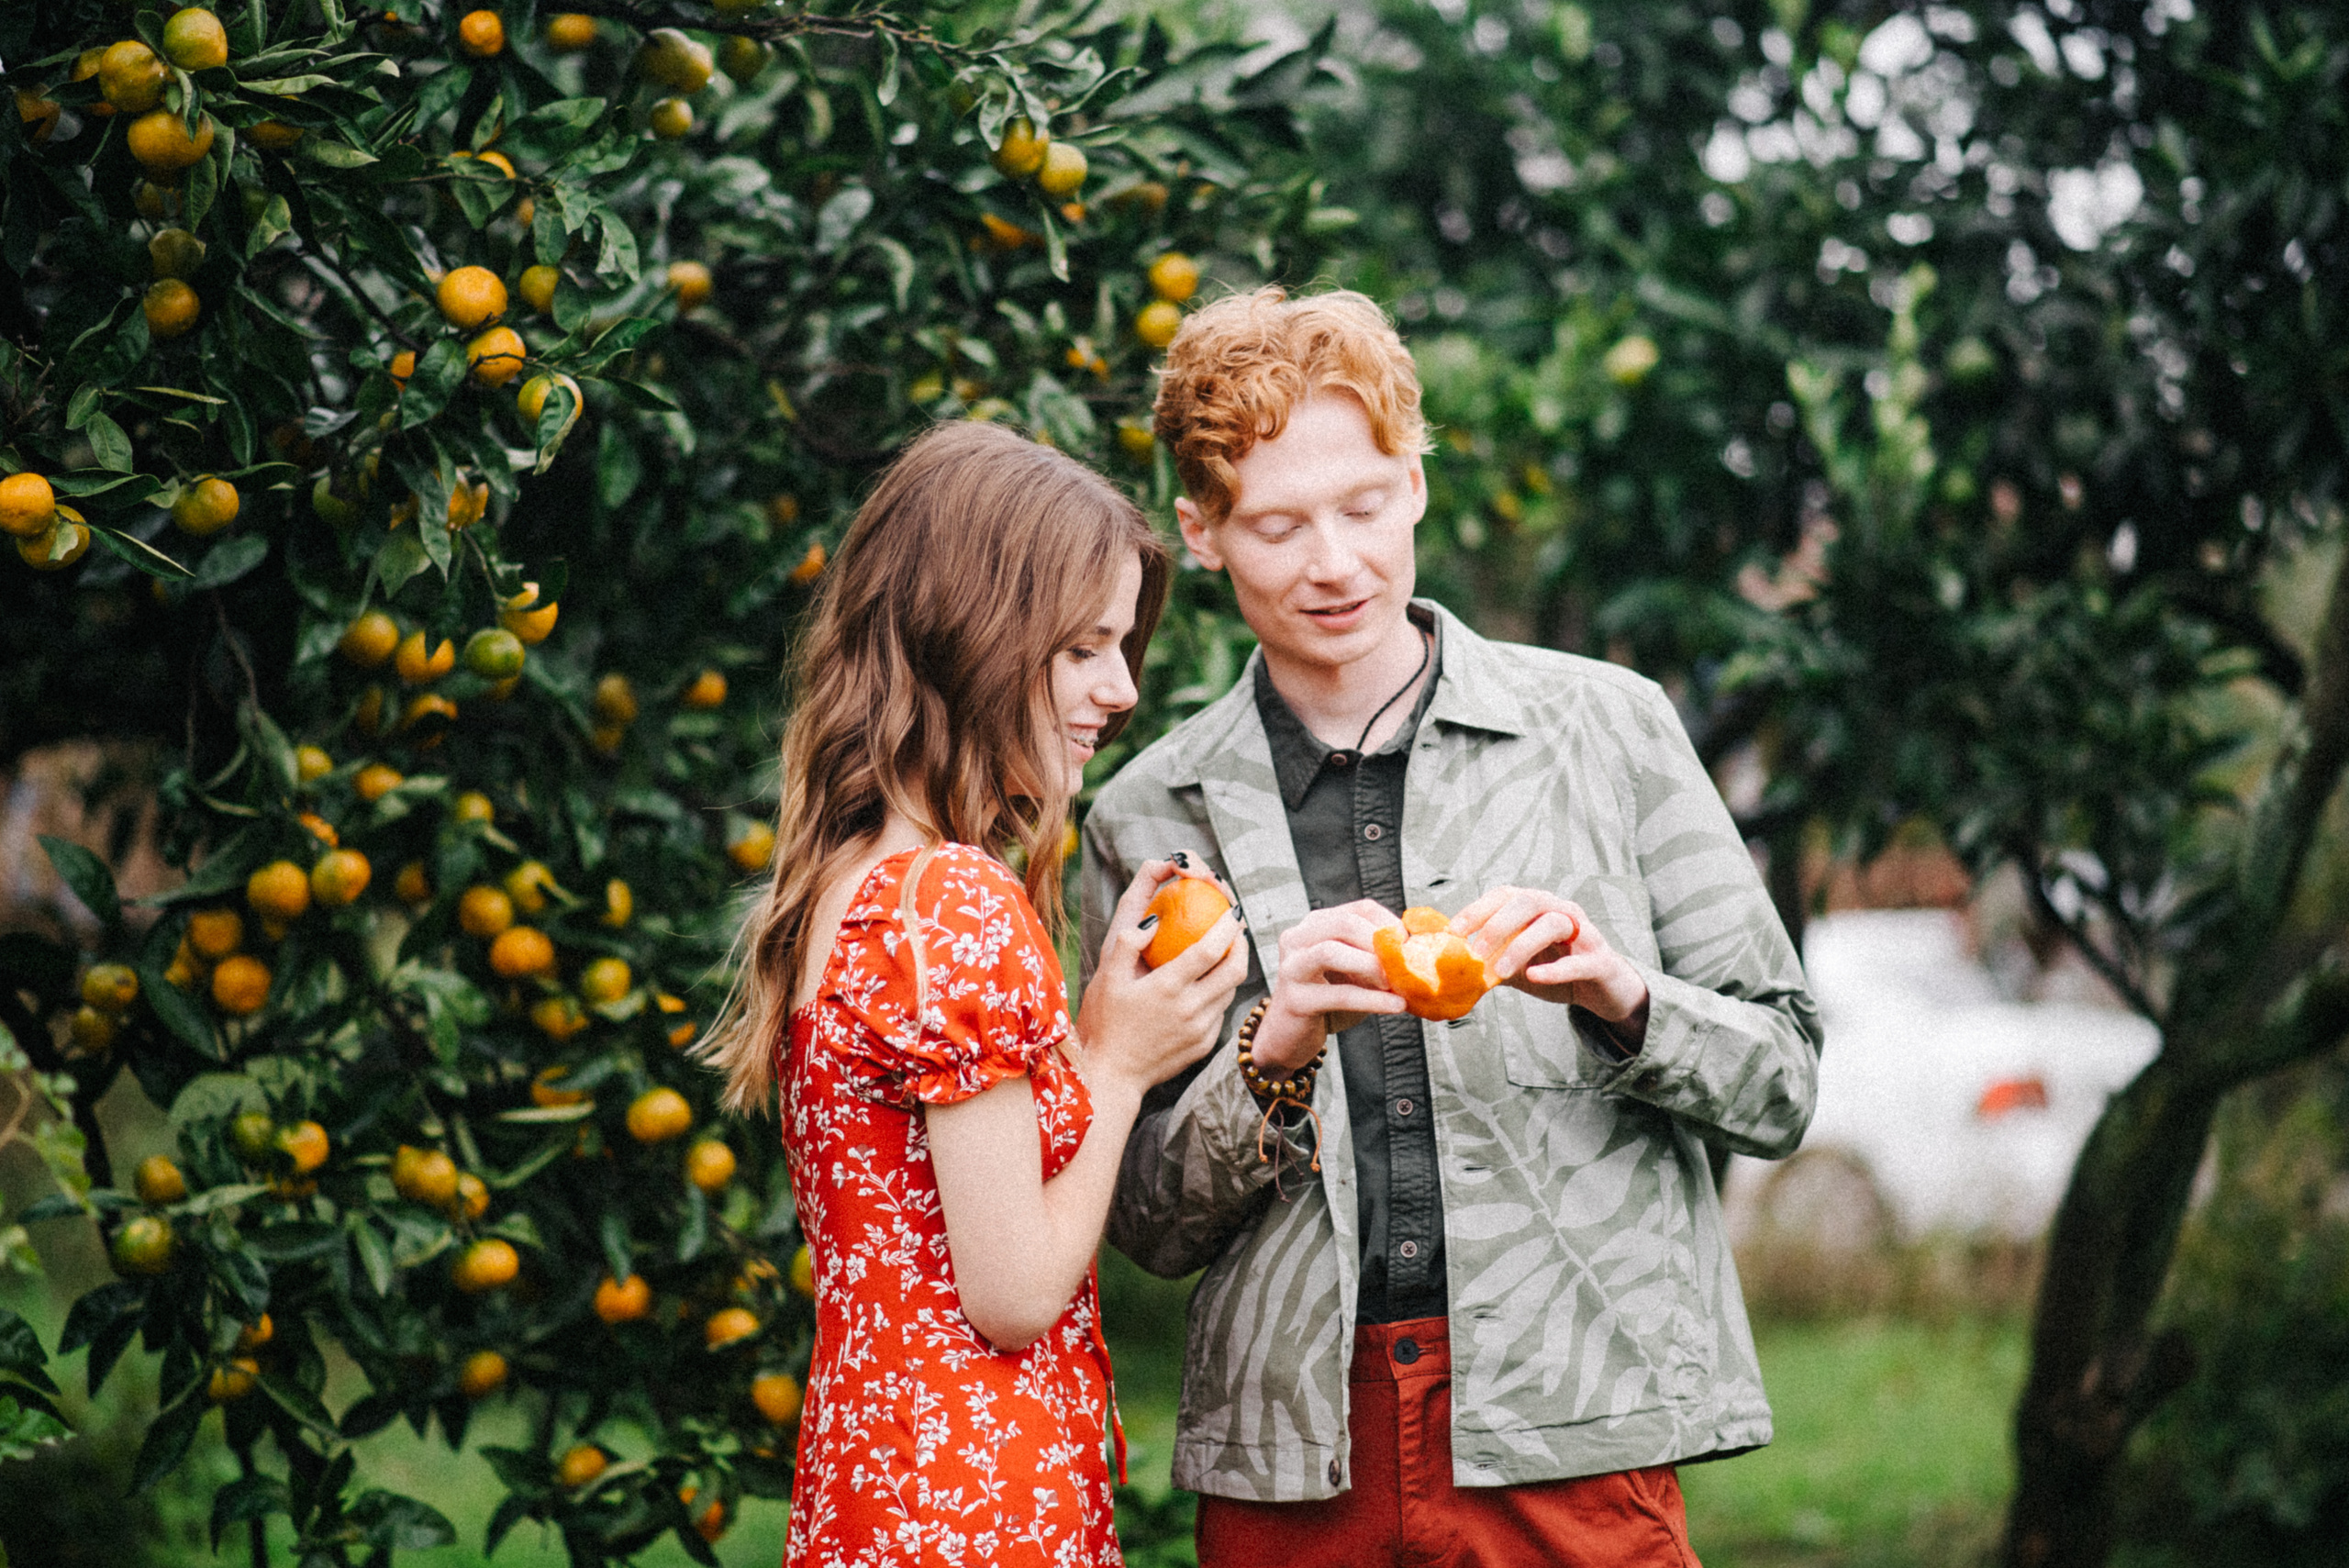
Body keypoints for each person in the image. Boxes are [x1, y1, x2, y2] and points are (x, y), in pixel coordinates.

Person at [1083, 288, 1823, 1568]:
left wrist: (1621, 996)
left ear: (1417, 486)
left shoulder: (1612, 729)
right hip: (1293, 1455)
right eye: (1278, 525)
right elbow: (1144, 1219)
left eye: (1366, 506)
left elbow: (1783, 1082)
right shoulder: (1148, 816)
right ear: (1202, 533)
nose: (1335, 562)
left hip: (1574, 1425)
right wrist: (1272, 1050)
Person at [701, 420, 1250, 1568]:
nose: (1121, 688)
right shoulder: (951, 898)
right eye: (1084, 648)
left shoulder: (852, 888)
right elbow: (1012, 1290)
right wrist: (1120, 1065)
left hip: (872, 1482)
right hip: (976, 1503)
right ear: (974, 636)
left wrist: (1093, 1034)